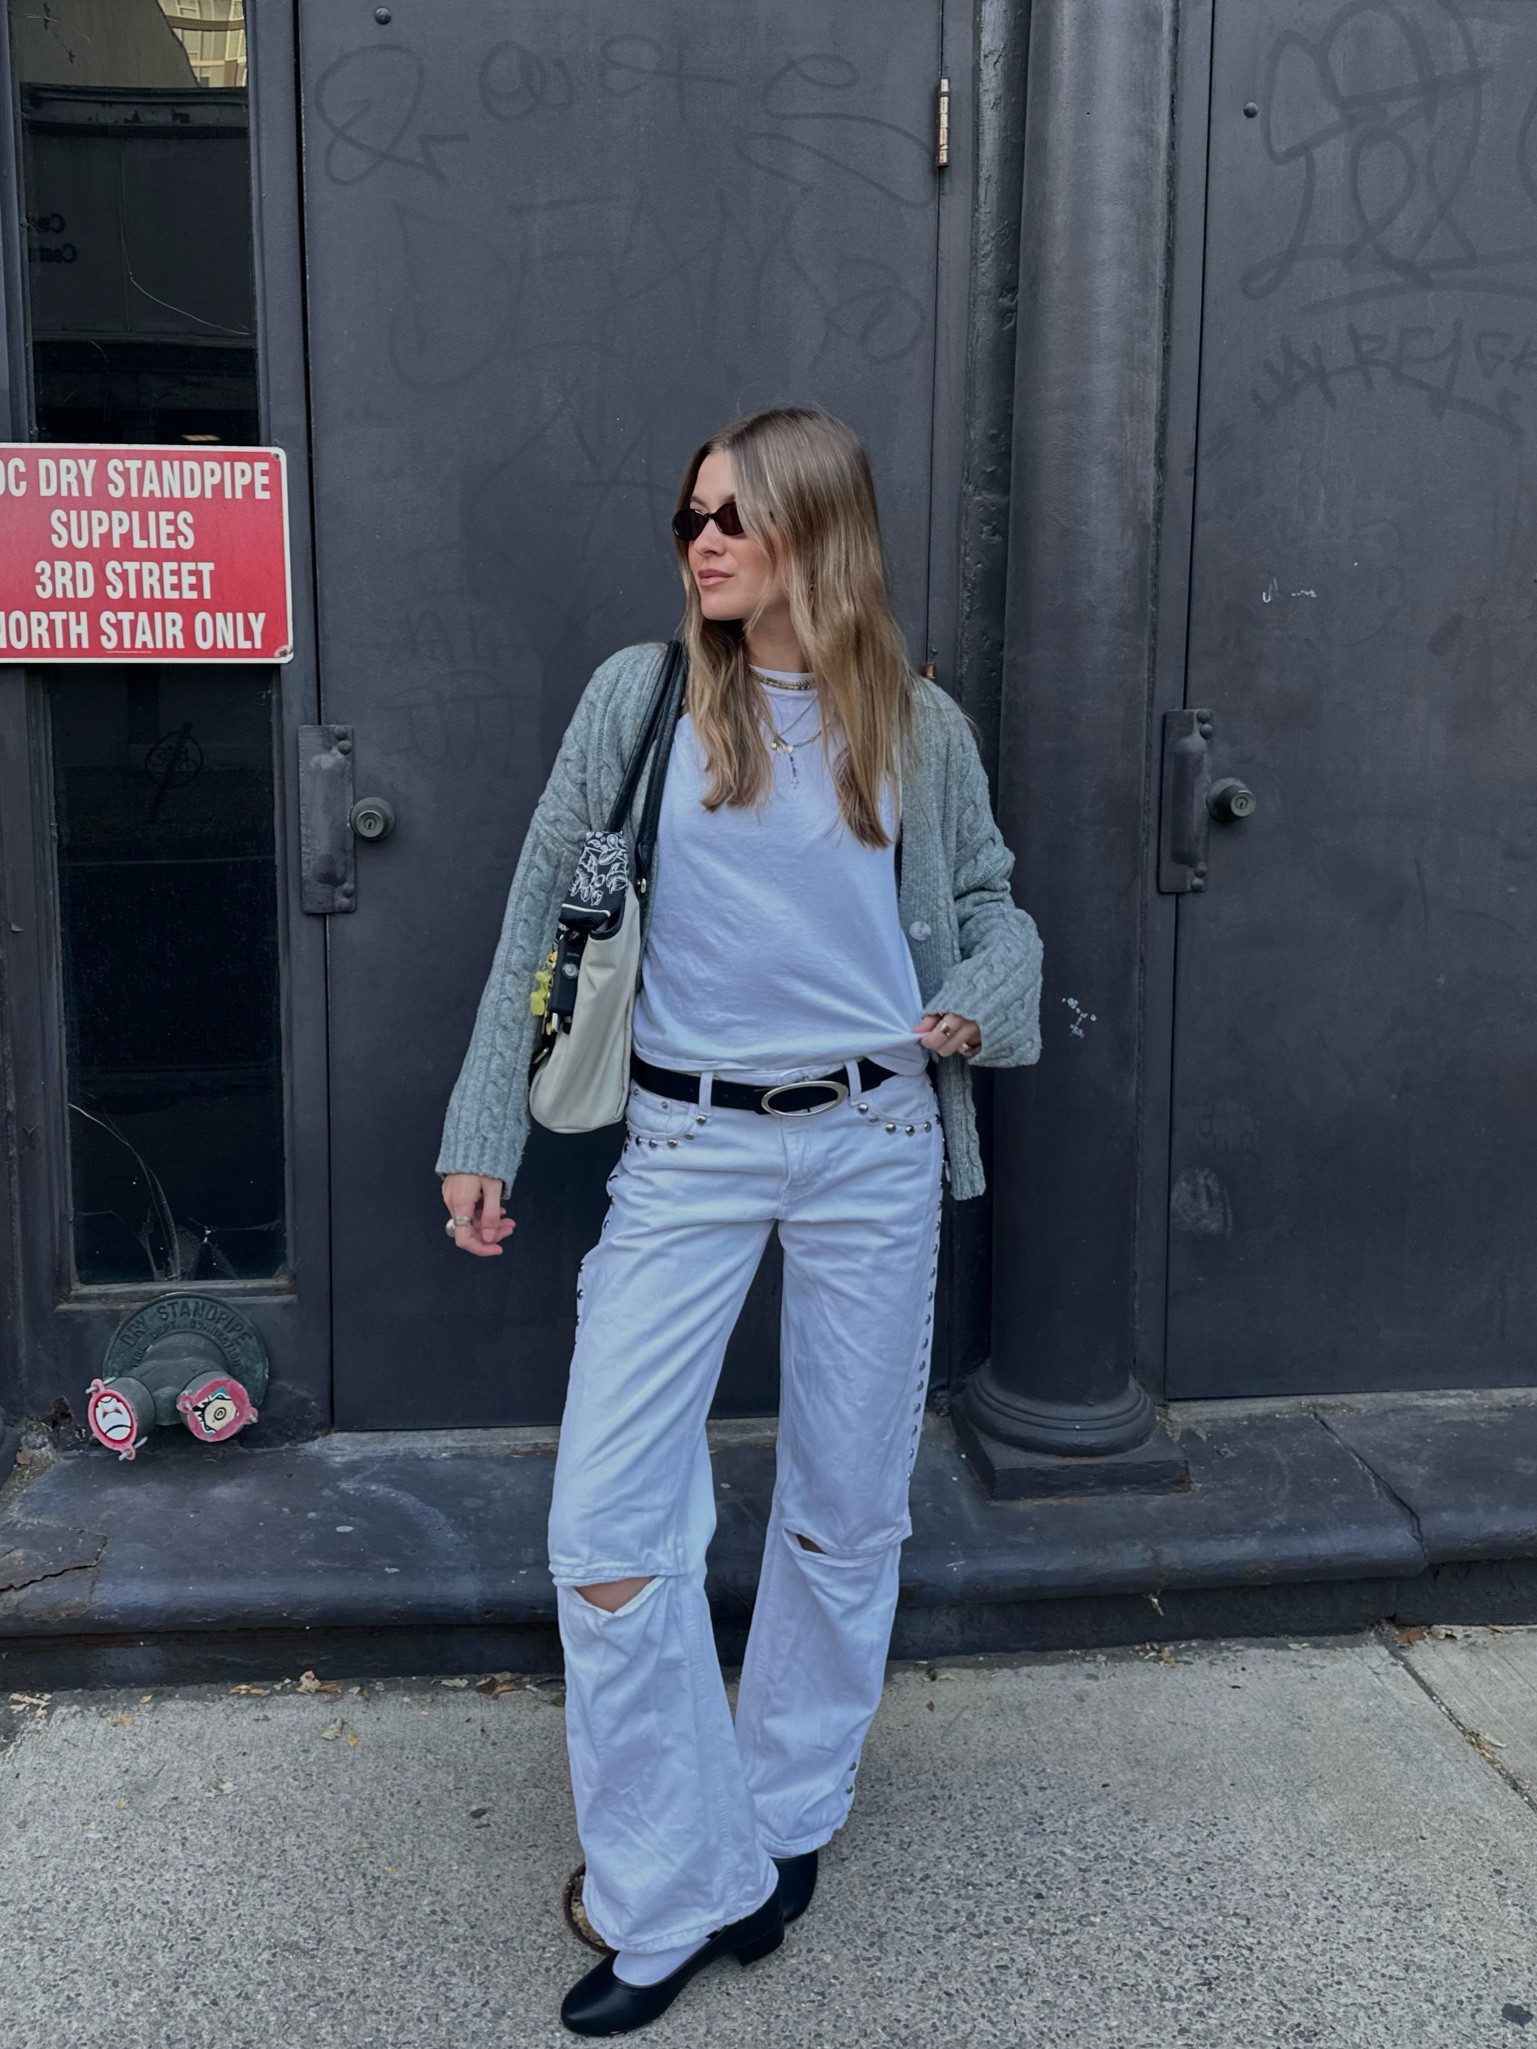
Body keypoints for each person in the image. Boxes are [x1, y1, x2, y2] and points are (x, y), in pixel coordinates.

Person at [437, 407, 1042, 2035]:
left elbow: (990, 904)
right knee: (606, 1530)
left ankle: (780, 1815)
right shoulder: (639, 700)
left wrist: (983, 996)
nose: (700, 542)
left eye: (732, 517)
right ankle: (665, 1882)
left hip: (872, 1139)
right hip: (686, 1145)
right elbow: (538, 917)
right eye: (688, 515)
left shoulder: (915, 723)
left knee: (845, 1506)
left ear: (814, 531)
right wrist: (484, 1127)